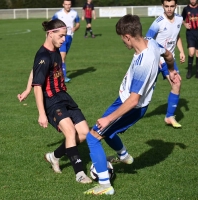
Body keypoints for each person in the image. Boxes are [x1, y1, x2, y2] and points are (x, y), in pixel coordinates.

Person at [84, 14, 179, 195]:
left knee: (93, 137)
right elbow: (167, 53)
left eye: (123, 39)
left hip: (131, 105)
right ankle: (124, 156)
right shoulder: (150, 42)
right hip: (127, 101)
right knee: (110, 133)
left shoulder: (144, 62)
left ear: (128, 36)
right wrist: (172, 70)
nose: (124, 43)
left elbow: (134, 99)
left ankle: (105, 185)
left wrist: (108, 118)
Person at [17, 19, 92, 184]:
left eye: (65, 36)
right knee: (70, 132)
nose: (64, 39)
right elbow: (39, 85)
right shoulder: (43, 56)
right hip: (51, 101)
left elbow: (33, 70)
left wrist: (26, 89)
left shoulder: (56, 49)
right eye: (61, 36)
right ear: (50, 34)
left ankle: (54, 156)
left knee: (85, 133)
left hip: (64, 96)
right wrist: (41, 113)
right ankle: (79, 173)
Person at [146, 0, 184, 128]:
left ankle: (169, 116)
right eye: (166, 6)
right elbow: (147, 39)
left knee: (177, 83)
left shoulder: (179, 19)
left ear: (176, 6)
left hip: (169, 60)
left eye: (171, 6)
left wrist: (181, 51)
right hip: (157, 59)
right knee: (143, 89)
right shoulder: (158, 22)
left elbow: (177, 36)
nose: (169, 9)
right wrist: (155, 58)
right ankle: (123, 110)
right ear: (163, 6)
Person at [52, 0, 80, 83]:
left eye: (69, 4)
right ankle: (63, 77)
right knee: (62, 57)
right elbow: (52, 21)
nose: (68, 6)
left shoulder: (74, 13)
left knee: (62, 57)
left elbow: (78, 23)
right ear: (63, 5)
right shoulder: (58, 14)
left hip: (70, 37)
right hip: (61, 37)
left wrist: (75, 28)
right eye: (66, 4)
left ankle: (55, 72)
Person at [182, 0, 198, 78]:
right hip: (190, 33)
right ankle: (189, 71)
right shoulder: (186, 9)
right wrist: (185, 24)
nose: (193, 0)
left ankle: (197, 72)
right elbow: (180, 19)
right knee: (191, 53)